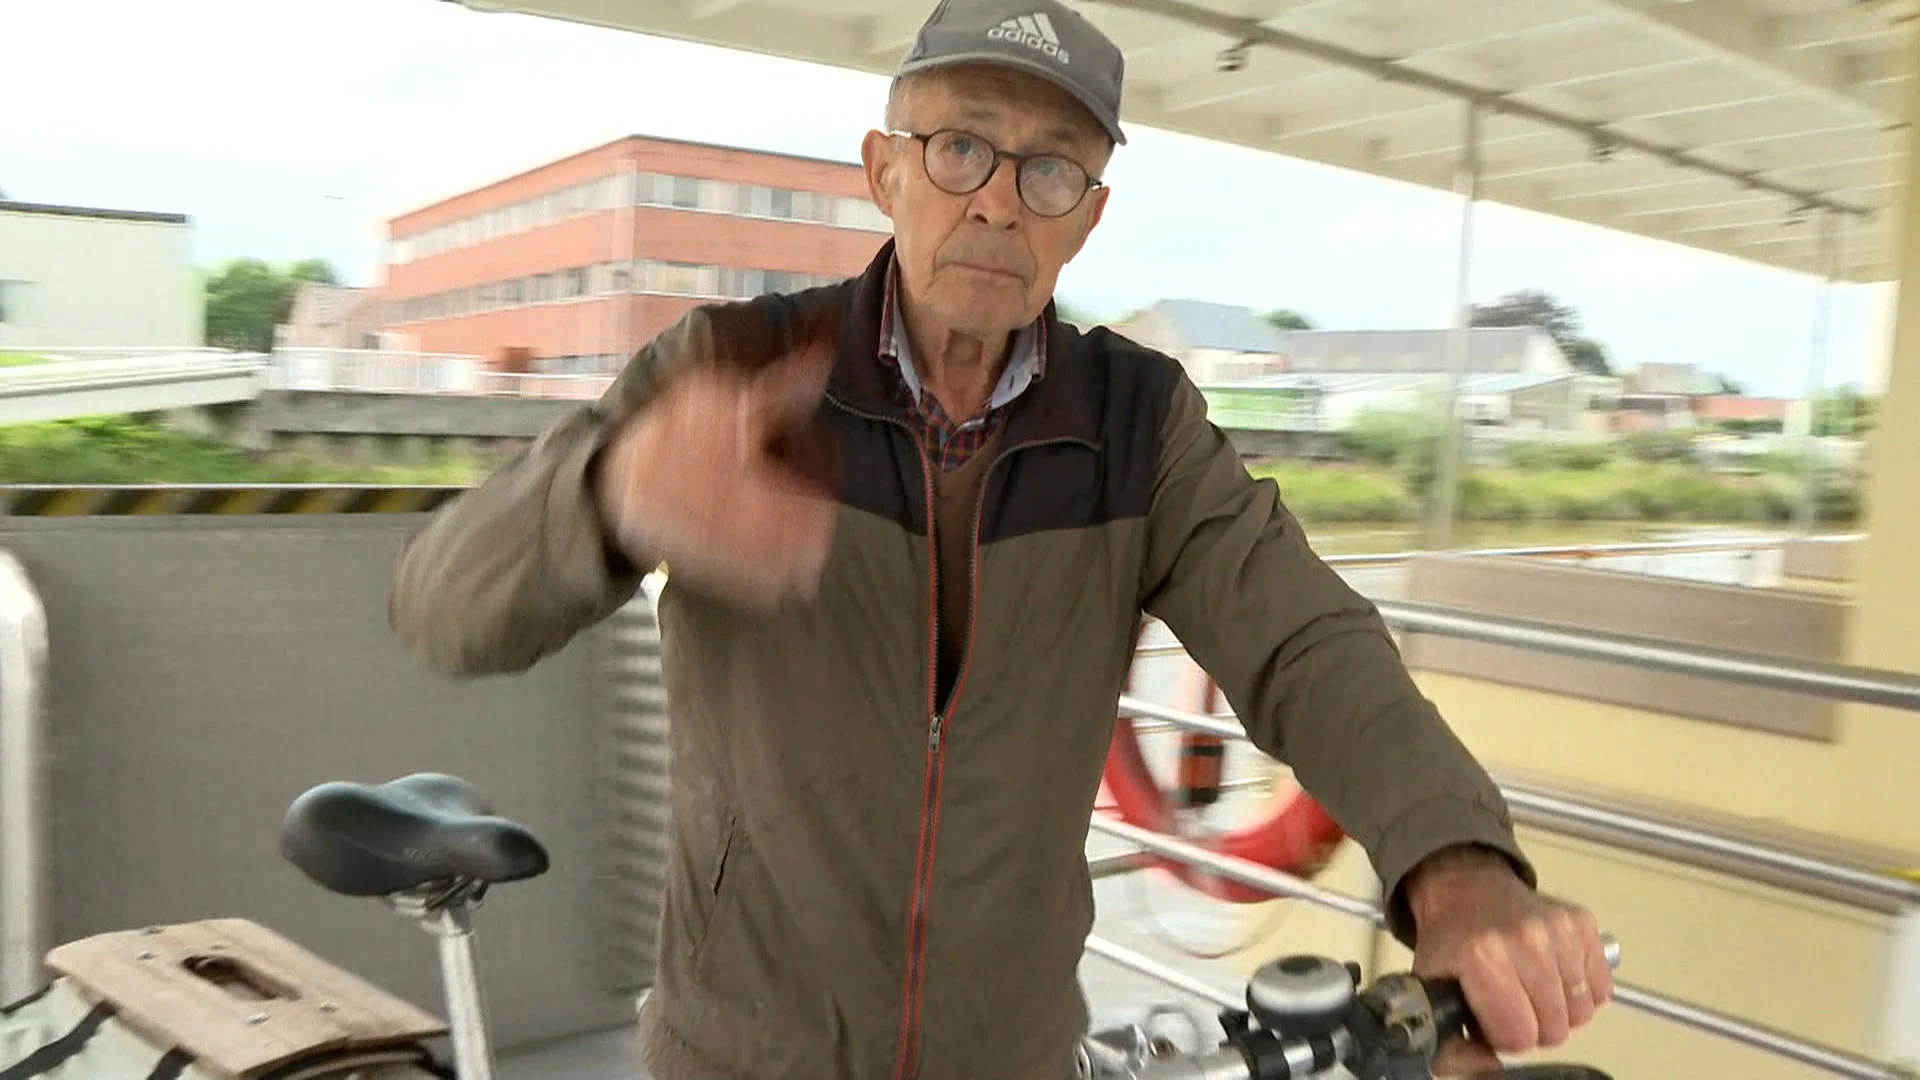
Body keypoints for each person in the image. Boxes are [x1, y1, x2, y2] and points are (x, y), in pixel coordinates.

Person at [387, 0, 1614, 1076]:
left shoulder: (1141, 425)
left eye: (1050, 170)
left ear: (1086, 217)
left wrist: (1459, 872)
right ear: (885, 172)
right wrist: (609, 488)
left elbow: (1305, 642)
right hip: (740, 1055)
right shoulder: (734, 369)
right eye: (962, 146)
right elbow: (442, 607)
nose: (997, 199)